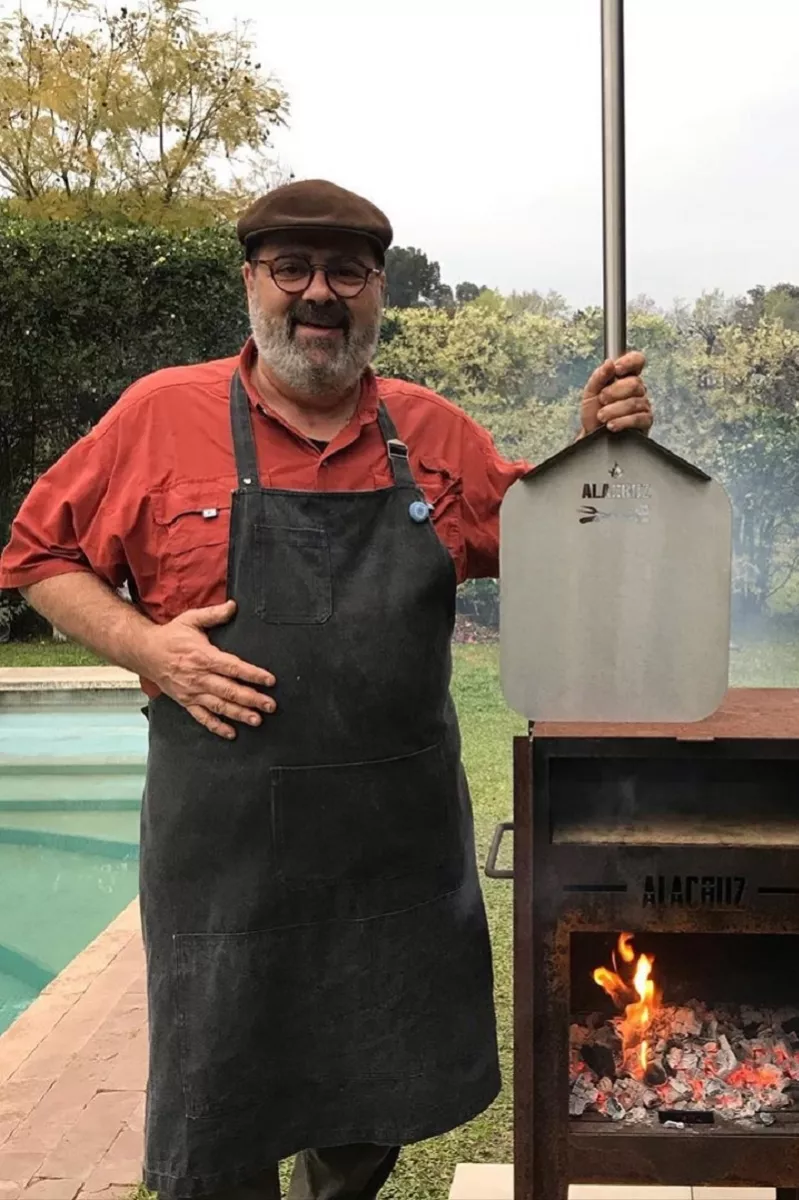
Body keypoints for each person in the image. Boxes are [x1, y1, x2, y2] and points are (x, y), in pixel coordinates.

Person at [0, 179, 653, 1200]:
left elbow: (552, 530)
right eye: (291, 268)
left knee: (371, 1102)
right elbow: (38, 556)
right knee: (220, 1108)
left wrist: (600, 442)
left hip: (391, 851)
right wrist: (148, 648)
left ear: (377, 290)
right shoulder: (159, 417)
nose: (319, 293)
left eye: (345, 271)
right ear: (253, 282)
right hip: (226, 859)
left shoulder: (431, 432)